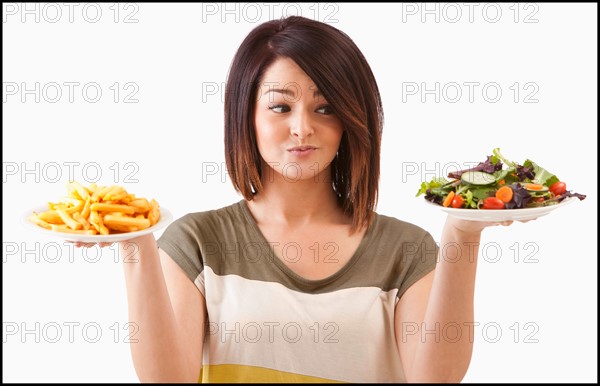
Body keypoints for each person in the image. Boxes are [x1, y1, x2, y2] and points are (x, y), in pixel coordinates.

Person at [85, 16, 514, 383]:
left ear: (351, 121)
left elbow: (435, 378)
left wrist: (463, 232)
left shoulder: (407, 250)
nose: (302, 128)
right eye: (280, 107)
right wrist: (134, 243)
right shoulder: (196, 242)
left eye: (325, 108)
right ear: (246, 114)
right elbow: (168, 378)